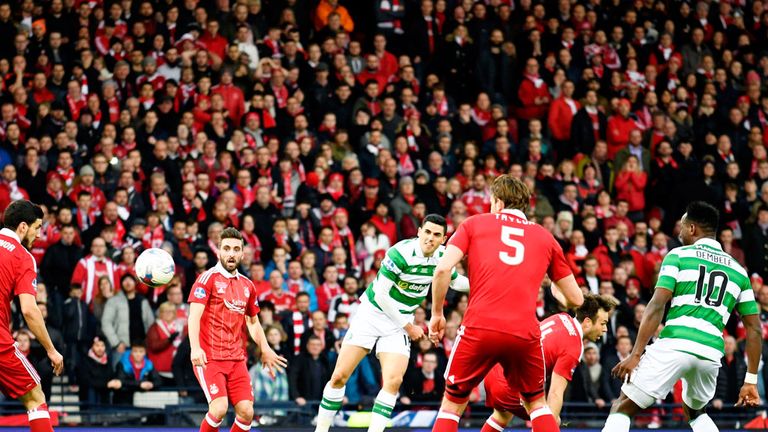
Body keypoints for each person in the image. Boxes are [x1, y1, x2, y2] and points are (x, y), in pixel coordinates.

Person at [429, 175, 584, 432]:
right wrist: (555, 287)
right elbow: (576, 299)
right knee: (537, 404)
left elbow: (442, 270)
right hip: (524, 332)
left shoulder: (474, 224)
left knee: (452, 404)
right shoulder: (545, 237)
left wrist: (437, 314)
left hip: (479, 327)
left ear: (498, 202)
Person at [602, 201, 762, 432]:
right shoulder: (739, 271)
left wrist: (636, 354)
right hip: (710, 353)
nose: (679, 232)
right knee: (696, 413)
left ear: (693, 229)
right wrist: (751, 380)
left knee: (622, 407)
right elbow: (755, 329)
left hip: (675, 344)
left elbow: (657, 306)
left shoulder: (678, 255)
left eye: (683, 226)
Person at [314, 214, 469, 432]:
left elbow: (456, 282)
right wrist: (408, 327)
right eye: (427, 232)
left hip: (399, 323)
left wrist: (483, 284)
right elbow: (381, 295)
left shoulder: (443, 257)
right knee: (339, 377)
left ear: (443, 239)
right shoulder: (400, 252)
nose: (430, 238)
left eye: (436, 235)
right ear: (419, 232)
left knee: (393, 382)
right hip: (372, 314)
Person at [188, 227, 287, 432]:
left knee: (246, 412)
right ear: (218, 252)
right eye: (226, 248)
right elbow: (194, 316)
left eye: (236, 249)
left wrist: (265, 348)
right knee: (219, 408)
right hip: (210, 358)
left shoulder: (248, 285)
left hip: (236, 359)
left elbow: (253, 322)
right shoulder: (207, 279)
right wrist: (195, 348)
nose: (231, 253)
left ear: (242, 254)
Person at [480, 294, 617, 430]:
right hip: (510, 384)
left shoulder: (562, 317)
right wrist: (553, 419)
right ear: (587, 322)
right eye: (603, 323)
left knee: (502, 416)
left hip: (495, 370)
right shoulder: (574, 346)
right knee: (548, 418)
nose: (605, 329)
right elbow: (556, 392)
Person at [0, 200, 64, 432]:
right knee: (35, 397)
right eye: (38, 227)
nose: (39, 234)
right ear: (23, 226)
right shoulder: (22, 257)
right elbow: (29, 309)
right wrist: (51, 349)